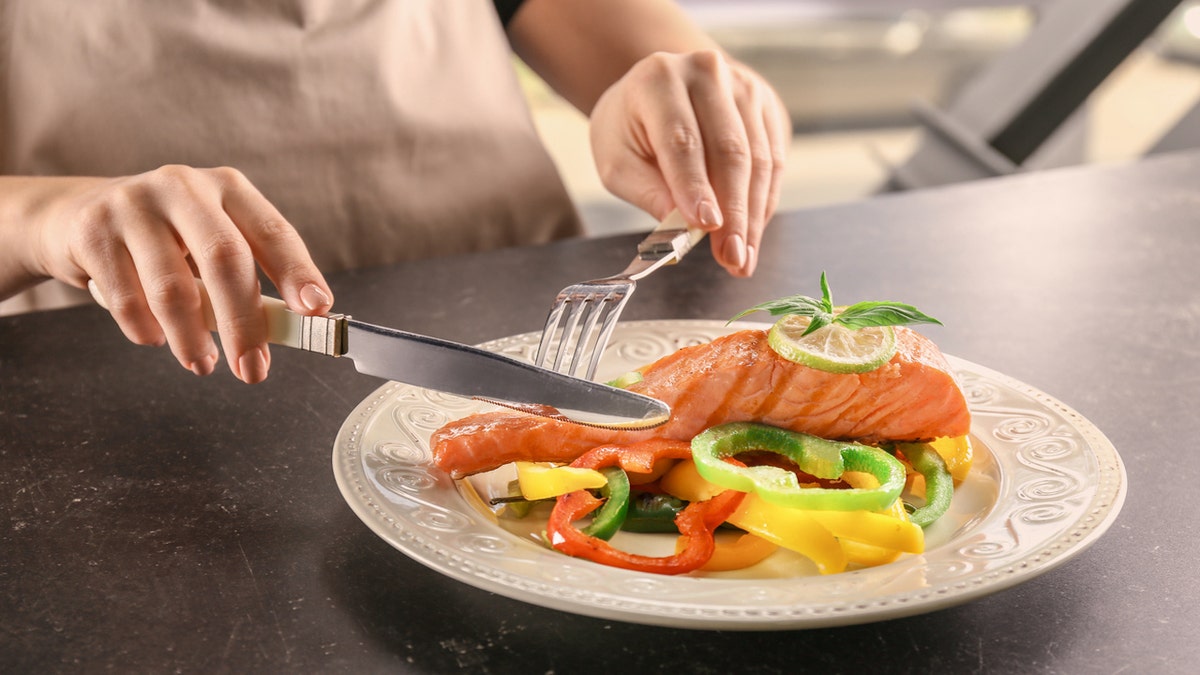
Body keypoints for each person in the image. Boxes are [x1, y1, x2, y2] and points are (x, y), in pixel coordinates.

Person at [0, 0, 791, 384]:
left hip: (539, 360)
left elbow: (720, 94)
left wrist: (689, 103)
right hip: (141, 420)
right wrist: (46, 219)